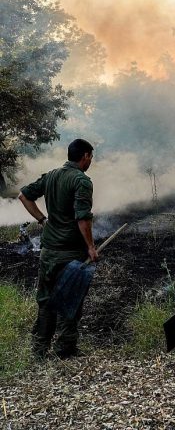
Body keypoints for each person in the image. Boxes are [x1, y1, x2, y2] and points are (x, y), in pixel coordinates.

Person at [18, 138, 97, 359]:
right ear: (85, 156)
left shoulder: (51, 175)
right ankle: (65, 349)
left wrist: (43, 220)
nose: (90, 161)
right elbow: (83, 218)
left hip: (49, 252)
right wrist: (91, 247)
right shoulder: (82, 181)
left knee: (45, 300)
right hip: (71, 253)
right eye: (91, 157)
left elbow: (24, 195)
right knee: (70, 300)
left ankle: (39, 349)